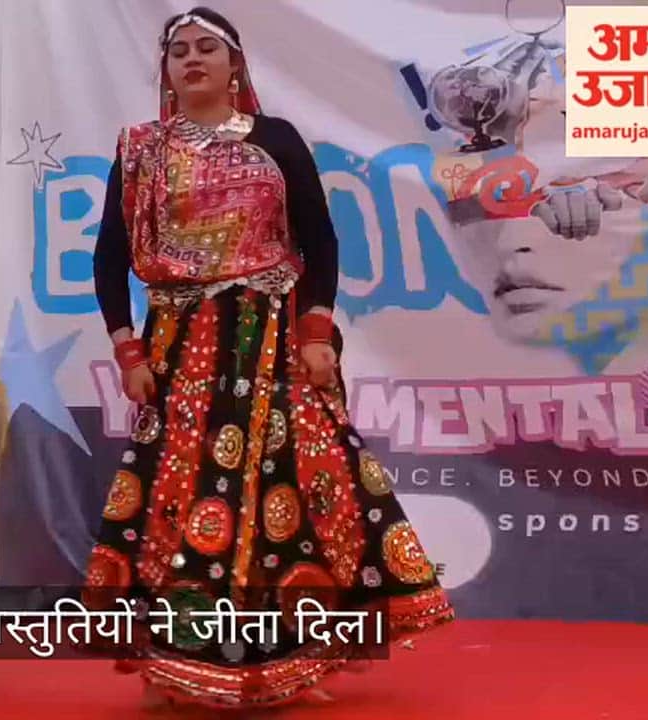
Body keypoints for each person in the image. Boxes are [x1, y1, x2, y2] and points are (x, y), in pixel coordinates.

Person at [81, 7, 454, 712]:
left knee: (295, 492)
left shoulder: (277, 140)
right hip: (181, 346)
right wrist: (127, 348)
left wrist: (317, 334)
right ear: (164, 70)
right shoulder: (141, 150)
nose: (192, 60)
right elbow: (108, 260)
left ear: (234, 65)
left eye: (207, 49)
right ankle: (177, 659)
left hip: (273, 344)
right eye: (179, 51)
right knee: (182, 497)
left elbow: (319, 241)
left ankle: (298, 656)